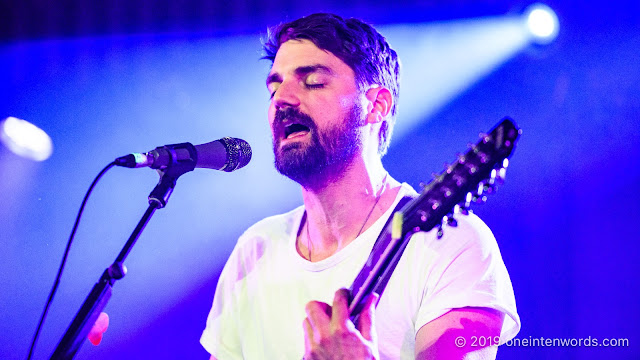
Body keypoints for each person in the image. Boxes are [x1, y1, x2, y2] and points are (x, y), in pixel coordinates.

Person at [200, 13, 520, 360]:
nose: (282, 99)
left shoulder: (452, 243)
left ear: (376, 106)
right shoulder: (254, 250)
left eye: (313, 82)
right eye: (274, 87)